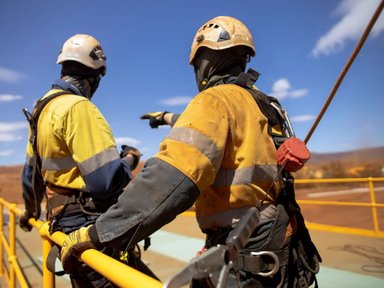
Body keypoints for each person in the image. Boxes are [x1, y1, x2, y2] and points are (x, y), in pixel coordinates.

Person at [59, 18, 321, 288]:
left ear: (204, 61)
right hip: (281, 244)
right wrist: (164, 117)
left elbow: (169, 181)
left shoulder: (214, 100)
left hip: (243, 254)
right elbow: (223, 129)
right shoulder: (265, 105)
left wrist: (100, 233)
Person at [18, 34, 156, 288]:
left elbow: (30, 174)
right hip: (88, 228)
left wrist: (29, 212)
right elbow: (106, 181)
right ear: (95, 75)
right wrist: (129, 159)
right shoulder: (78, 108)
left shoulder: (41, 110)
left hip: (62, 223)